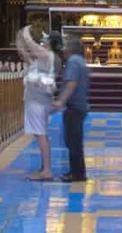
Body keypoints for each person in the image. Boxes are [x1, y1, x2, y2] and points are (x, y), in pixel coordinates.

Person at [16, 26, 61, 180]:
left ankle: (47, 170)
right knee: (39, 133)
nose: (43, 41)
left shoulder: (48, 55)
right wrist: (20, 42)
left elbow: (31, 46)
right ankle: (44, 167)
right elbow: (26, 56)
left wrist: (26, 33)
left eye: (45, 39)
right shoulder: (43, 57)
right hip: (35, 98)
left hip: (39, 100)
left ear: (50, 42)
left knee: (41, 134)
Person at [53, 33, 90, 182]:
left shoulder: (74, 61)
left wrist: (60, 101)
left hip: (74, 107)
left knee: (73, 141)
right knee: (74, 141)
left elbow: (71, 83)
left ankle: (77, 173)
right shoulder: (80, 60)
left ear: (71, 48)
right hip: (79, 106)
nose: (63, 49)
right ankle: (76, 171)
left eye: (66, 46)